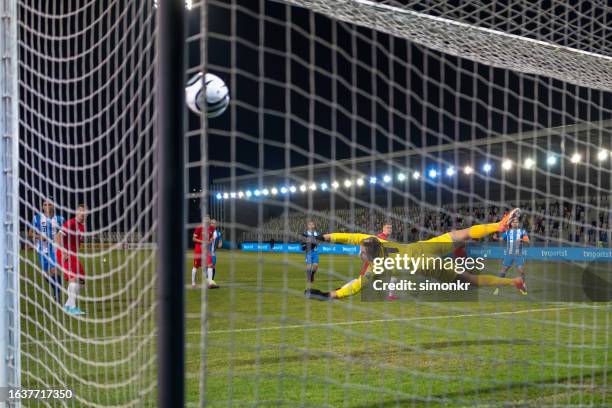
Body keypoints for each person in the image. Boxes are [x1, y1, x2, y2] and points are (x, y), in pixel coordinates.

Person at [305, 209, 527, 300]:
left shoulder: (378, 267)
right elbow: (350, 236)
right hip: (424, 248)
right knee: (462, 234)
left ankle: (512, 282)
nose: (359, 251)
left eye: (361, 252)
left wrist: (329, 295)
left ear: (370, 256)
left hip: (427, 266)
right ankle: (498, 225)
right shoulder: (376, 243)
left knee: (469, 281)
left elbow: (355, 286)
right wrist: (321, 238)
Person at [29, 199, 65, 303]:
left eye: (49, 204)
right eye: (45, 205)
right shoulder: (37, 218)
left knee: (54, 271)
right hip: (42, 251)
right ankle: (56, 289)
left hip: (55, 250)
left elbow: (64, 234)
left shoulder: (60, 219)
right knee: (47, 275)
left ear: (53, 206)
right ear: (42, 207)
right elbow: (30, 233)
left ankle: (57, 295)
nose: (47, 207)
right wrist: (40, 237)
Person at [60, 204, 87, 315]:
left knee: (82, 281)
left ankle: (67, 305)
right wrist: (63, 251)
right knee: (73, 278)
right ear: (76, 212)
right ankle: (73, 308)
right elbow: (58, 236)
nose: (82, 214)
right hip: (66, 254)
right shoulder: (71, 223)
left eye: (84, 212)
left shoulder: (82, 226)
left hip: (73, 255)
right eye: (80, 211)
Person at [493, 218, 529, 295]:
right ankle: (497, 288)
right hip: (509, 254)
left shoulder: (522, 231)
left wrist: (522, 239)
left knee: (521, 271)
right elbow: (501, 239)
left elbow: (528, 241)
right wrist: (496, 238)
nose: (515, 223)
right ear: (511, 224)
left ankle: (523, 285)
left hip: (518, 255)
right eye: (514, 222)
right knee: (503, 271)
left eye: (517, 222)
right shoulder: (508, 232)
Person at [302, 221, 321, 287]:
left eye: (312, 224)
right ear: (308, 226)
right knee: (309, 265)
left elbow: (319, 241)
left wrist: (316, 242)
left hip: (315, 252)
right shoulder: (305, 233)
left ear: (314, 226)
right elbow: (303, 242)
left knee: (315, 266)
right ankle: (308, 277)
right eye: (310, 224)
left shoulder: (317, 233)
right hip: (309, 252)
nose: (311, 225)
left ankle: (312, 275)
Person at [191, 216, 208, 288]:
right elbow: (194, 239)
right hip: (198, 250)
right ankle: (193, 283)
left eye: (208, 219)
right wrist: (202, 241)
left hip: (204, 251)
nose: (207, 220)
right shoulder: (199, 227)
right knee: (195, 266)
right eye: (206, 219)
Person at [205, 219, 222, 289]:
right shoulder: (207, 231)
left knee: (213, 267)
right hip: (207, 252)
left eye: (215, 223)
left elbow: (220, 240)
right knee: (208, 266)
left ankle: (211, 282)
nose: (213, 225)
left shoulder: (218, 233)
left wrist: (220, 243)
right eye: (212, 223)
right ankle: (209, 282)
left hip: (213, 253)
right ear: (210, 224)